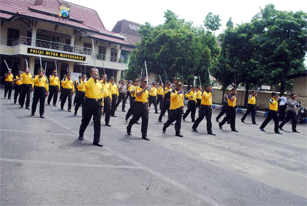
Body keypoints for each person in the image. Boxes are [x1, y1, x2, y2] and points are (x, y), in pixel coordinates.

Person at [78, 68, 104, 147]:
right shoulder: (88, 81)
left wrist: (102, 106)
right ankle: (81, 133)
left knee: (97, 123)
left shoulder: (100, 83)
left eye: (96, 72)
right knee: (86, 120)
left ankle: (96, 140)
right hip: (89, 102)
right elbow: (83, 86)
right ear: (91, 74)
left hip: (98, 104)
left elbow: (101, 95)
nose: (96, 73)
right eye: (94, 72)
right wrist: (91, 79)